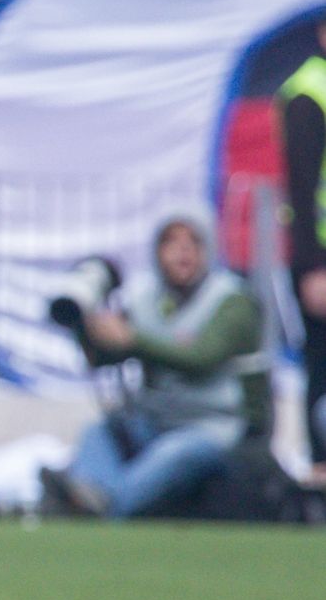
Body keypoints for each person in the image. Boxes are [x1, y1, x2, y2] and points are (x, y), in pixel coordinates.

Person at [39, 207, 271, 519]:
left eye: (193, 242)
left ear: (210, 248)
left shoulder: (233, 300)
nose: (183, 251)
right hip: (155, 422)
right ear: (157, 251)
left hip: (214, 426)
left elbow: (201, 358)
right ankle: (89, 493)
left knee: (175, 454)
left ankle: (103, 505)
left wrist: (133, 340)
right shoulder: (145, 300)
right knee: (98, 432)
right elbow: (103, 360)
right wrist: (85, 325)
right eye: (171, 242)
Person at [278, 17, 326, 487]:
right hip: (322, 257)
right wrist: (312, 266)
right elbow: (302, 185)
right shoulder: (311, 90)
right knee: (322, 363)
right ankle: (320, 466)